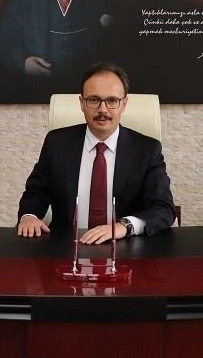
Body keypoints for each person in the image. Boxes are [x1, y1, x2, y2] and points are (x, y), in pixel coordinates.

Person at [17, 62, 176, 243]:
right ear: (82, 103)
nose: (102, 109)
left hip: (126, 248)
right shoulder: (57, 143)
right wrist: (29, 216)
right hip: (67, 247)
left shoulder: (147, 150)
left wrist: (124, 226)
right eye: (93, 100)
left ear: (124, 104)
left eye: (112, 101)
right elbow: (36, 192)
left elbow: (163, 208)